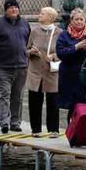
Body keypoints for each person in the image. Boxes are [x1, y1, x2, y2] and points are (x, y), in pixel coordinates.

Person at [0, 0, 31, 134]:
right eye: (11, 8)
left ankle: (15, 122)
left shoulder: (25, 24)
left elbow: (29, 43)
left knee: (18, 97)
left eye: (16, 7)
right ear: (6, 10)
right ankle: (4, 122)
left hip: (21, 67)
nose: (14, 9)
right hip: (2, 67)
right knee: (4, 95)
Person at [25, 7, 61, 136]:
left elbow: (62, 52)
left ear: (50, 17)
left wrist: (54, 56)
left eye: (42, 14)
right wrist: (31, 52)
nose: (39, 15)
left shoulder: (59, 33)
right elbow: (27, 49)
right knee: (34, 100)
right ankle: (36, 130)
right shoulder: (34, 31)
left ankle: (54, 129)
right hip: (35, 71)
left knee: (53, 101)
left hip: (51, 71)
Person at [56, 7, 86, 127]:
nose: (79, 22)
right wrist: (76, 47)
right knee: (73, 106)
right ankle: (72, 130)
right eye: (76, 19)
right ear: (71, 21)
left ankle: (84, 131)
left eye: (81, 19)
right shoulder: (64, 35)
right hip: (69, 76)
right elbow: (60, 53)